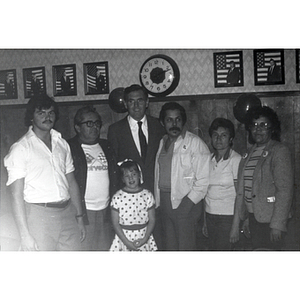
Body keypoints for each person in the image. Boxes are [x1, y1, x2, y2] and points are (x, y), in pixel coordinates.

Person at [4, 95, 86, 251]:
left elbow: (72, 182)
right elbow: (16, 194)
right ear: (31, 118)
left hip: (67, 213)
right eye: (41, 113)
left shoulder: (62, 144)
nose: (47, 117)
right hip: (38, 216)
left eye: (51, 112)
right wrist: (24, 234)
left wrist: (79, 218)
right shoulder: (21, 148)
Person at [107, 84, 165, 248]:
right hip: (129, 202)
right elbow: (115, 170)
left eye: (140, 100)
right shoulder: (115, 130)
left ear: (147, 102)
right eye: (131, 101)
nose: (136, 105)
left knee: (156, 245)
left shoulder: (158, 126)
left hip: (156, 197)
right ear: (125, 104)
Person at [230, 106, 293, 250]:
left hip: (271, 221)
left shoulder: (279, 151)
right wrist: (245, 218)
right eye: (254, 125)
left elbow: (284, 191)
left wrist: (277, 225)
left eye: (263, 125)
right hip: (253, 219)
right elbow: (244, 190)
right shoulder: (248, 154)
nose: (258, 129)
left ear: (272, 128)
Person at [154, 102, 210, 250]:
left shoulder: (195, 143)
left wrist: (186, 206)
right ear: (162, 122)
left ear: (183, 121)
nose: (174, 124)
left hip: (186, 204)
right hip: (165, 204)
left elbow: (204, 181)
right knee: (171, 248)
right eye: (169, 120)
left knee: (185, 248)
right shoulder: (162, 142)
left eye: (178, 119)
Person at [68, 106, 118, 250]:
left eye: (97, 123)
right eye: (89, 123)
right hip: (83, 212)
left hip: (105, 211)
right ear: (77, 127)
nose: (94, 127)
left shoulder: (106, 145)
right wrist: (78, 215)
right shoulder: (69, 147)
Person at [202, 118, 241, 250]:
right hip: (210, 215)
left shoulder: (235, 160)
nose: (219, 139)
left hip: (228, 218)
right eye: (215, 135)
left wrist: (236, 226)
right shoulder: (208, 160)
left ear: (231, 139)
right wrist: (205, 222)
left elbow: (240, 195)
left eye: (223, 135)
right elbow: (205, 192)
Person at [110, 160, 157, 251]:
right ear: (123, 179)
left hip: (144, 236)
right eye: (127, 176)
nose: (131, 178)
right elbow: (115, 223)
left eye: (134, 174)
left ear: (139, 175)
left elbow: (152, 219)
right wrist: (126, 242)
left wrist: (145, 238)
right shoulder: (117, 197)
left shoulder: (147, 195)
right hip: (124, 238)